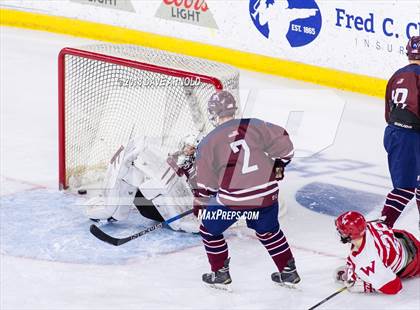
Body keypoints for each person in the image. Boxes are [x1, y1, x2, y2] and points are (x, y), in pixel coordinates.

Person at [194, 90, 299, 290]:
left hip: (236, 200)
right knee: (269, 231)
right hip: (267, 194)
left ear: (213, 114)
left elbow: (206, 184)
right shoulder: (255, 125)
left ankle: (220, 273)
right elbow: (286, 147)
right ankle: (288, 271)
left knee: (208, 230)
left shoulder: (209, 141)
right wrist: (279, 165)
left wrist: (201, 201)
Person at [84, 133, 201, 233]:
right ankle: (110, 209)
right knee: (134, 176)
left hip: (171, 213)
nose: (188, 150)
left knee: (133, 178)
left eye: (192, 149)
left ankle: (110, 212)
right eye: (187, 146)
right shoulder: (175, 158)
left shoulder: (197, 169)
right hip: (163, 207)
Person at [381, 35, 420, 228]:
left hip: (395, 134)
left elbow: (388, 111)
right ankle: (381, 230)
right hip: (410, 138)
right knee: (405, 189)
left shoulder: (397, 75)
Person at [334, 211, 419, 294]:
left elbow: (394, 287)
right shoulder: (370, 225)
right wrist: (352, 267)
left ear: (350, 235)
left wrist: (365, 286)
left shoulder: (368, 260)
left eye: (341, 231)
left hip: (415, 264)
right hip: (405, 241)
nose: (339, 233)